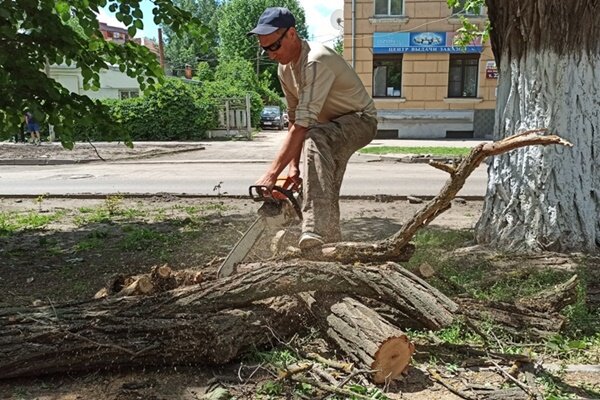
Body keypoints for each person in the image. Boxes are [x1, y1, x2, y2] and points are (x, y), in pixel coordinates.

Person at [248, 7, 378, 249]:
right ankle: (329, 247)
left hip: (360, 121)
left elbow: (304, 126)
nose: (270, 54)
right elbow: (295, 121)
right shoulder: (284, 69)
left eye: (274, 46)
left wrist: (271, 175)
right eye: (264, 49)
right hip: (328, 128)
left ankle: (314, 230)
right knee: (325, 187)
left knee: (316, 137)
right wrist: (292, 169)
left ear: (291, 34)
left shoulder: (316, 61)